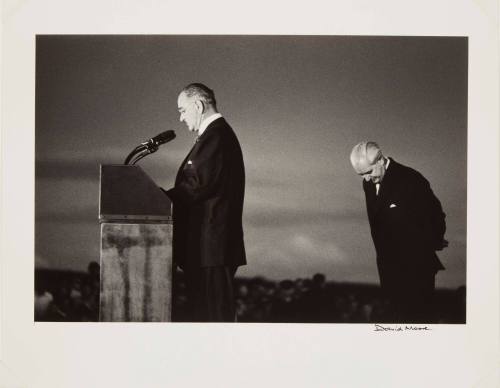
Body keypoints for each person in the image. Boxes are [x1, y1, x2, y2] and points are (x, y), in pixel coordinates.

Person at [165, 83, 246, 322]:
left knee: (212, 321)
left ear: (198, 105)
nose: (180, 118)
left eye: (182, 110)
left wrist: (157, 198)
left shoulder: (216, 136)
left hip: (211, 251)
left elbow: (196, 185)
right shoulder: (215, 136)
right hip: (208, 250)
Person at [349, 141, 448, 323]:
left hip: (416, 269)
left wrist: (433, 241)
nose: (367, 179)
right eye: (361, 175)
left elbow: (436, 215)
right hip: (389, 270)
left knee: (417, 324)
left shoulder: (411, 179)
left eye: (369, 172)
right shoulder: (368, 183)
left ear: (380, 159)